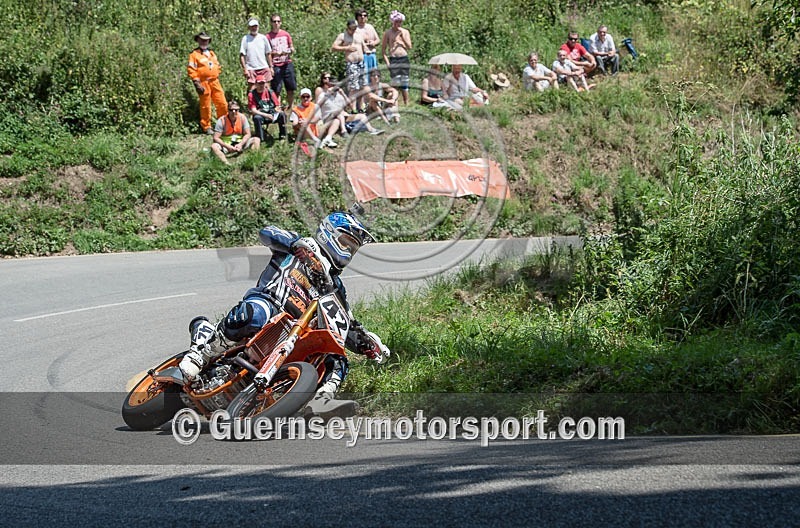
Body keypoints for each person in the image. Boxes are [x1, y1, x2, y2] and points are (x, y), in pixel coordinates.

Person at [180, 212, 391, 418]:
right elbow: (267, 232)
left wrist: (366, 342)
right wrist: (294, 244)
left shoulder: (336, 286)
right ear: (329, 234)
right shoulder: (302, 246)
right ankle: (202, 353)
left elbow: (343, 321)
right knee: (256, 313)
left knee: (337, 355)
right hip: (271, 304)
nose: (348, 251)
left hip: (296, 331)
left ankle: (322, 398)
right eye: (346, 243)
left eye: (352, 248)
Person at [316, 72, 384, 148]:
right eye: (333, 85)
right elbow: (317, 106)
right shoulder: (323, 95)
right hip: (329, 118)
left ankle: (371, 130)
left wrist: (344, 95)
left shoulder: (339, 95)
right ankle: (343, 131)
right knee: (338, 113)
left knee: (361, 116)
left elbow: (350, 106)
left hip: (341, 117)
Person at [187, 31, 228, 135]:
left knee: (222, 103)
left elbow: (217, 66)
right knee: (206, 105)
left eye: (206, 40)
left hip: (215, 82)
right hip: (203, 83)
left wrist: (216, 73)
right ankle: (206, 126)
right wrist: (196, 83)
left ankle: (222, 124)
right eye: (202, 40)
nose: (204, 42)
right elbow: (192, 69)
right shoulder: (194, 54)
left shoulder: (212, 53)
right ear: (198, 40)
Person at [331, 19, 366, 113]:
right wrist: (346, 48)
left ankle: (361, 106)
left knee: (362, 85)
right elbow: (334, 47)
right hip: (352, 63)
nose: (353, 30)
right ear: (348, 27)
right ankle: (353, 108)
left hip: (361, 62)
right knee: (353, 87)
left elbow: (363, 46)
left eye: (355, 28)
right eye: (351, 28)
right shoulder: (343, 36)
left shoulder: (358, 35)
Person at [381, 10, 412, 105]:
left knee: (404, 80)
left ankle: (406, 102)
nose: (398, 24)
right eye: (396, 22)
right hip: (394, 59)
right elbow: (383, 51)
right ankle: (394, 101)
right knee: (395, 81)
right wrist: (388, 63)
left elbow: (409, 47)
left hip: (403, 57)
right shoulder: (388, 33)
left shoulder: (405, 32)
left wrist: (402, 41)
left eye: (400, 22)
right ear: (393, 22)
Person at [267, 14, 297, 111]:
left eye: (278, 21)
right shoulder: (267, 37)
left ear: (281, 23)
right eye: (274, 21)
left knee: (290, 86)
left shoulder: (286, 34)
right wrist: (275, 54)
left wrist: (289, 51)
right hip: (275, 64)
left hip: (287, 62)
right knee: (276, 88)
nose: (276, 23)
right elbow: (266, 53)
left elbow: (292, 48)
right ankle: (277, 107)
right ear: (271, 23)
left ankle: (291, 106)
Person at [248, 74, 286, 142]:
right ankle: (260, 139)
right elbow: (253, 110)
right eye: (259, 83)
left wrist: (277, 110)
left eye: (263, 83)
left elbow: (277, 105)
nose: (261, 85)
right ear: (256, 84)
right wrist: (266, 115)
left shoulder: (270, 92)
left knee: (282, 115)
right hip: (261, 115)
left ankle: (282, 136)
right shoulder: (252, 94)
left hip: (271, 113)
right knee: (257, 118)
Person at [240, 18, 274, 92]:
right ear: (249, 27)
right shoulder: (245, 39)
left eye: (255, 26)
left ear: (258, 27)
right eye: (252, 26)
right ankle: (253, 103)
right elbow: (242, 55)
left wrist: (271, 67)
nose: (254, 28)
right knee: (252, 89)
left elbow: (268, 53)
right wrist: (245, 69)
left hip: (263, 66)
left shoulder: (263, 38)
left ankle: (266, 103)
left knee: (267, 88)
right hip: (251, 68)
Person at [355, 9, 380, 86]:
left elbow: (378, 40)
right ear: (357, 17)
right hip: (362, 55)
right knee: (364, 78)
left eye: (365, 15)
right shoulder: (355, 29)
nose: (362, 17)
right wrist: (365, 44)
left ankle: (376, 95)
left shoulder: (370, 27)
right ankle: (366, 96)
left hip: (372, 55)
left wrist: (373, 43)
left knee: (375, 77)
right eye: (360, 16)